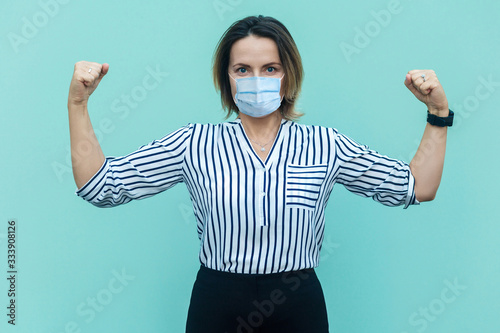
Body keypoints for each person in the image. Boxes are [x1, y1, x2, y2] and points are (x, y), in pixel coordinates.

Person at [67, 15, 453, 333]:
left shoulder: (326, 145)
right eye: (242, 69)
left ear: (288, 75)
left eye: (270, 68)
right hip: (216, 302)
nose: (256, 79)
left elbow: (417, 186)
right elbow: (100, 186)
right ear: (227, 77)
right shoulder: (193, 143)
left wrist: (438, 114)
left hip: (298, 304)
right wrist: (78, 103)